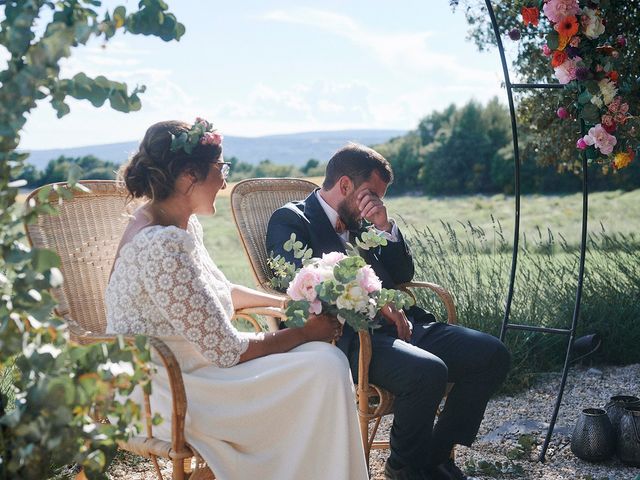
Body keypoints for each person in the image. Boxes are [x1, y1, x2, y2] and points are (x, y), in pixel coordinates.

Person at [105, 120, 368, 480]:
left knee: (324, 361)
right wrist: (307, 332)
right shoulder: (160, 244)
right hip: (167, 388)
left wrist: (290, 305)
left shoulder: (178, 225)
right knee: (322, 366)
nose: (224, 181)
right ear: (187, 176)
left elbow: (221, 290)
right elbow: (227, 351)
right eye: (220, 169)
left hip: (194, 369)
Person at [266, 143, 511, 480]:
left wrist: (383, 227)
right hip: (346, 337)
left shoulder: (364, 218)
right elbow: (307, 284)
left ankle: (433, 457)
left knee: (491, 354)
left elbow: (403, 276)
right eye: (371, 194)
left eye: (380, 198)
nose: (375, 204)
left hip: (402, 325)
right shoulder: (291, 220)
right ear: (346, 185)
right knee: (428, 372)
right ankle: (405, 471)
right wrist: (380, 301)